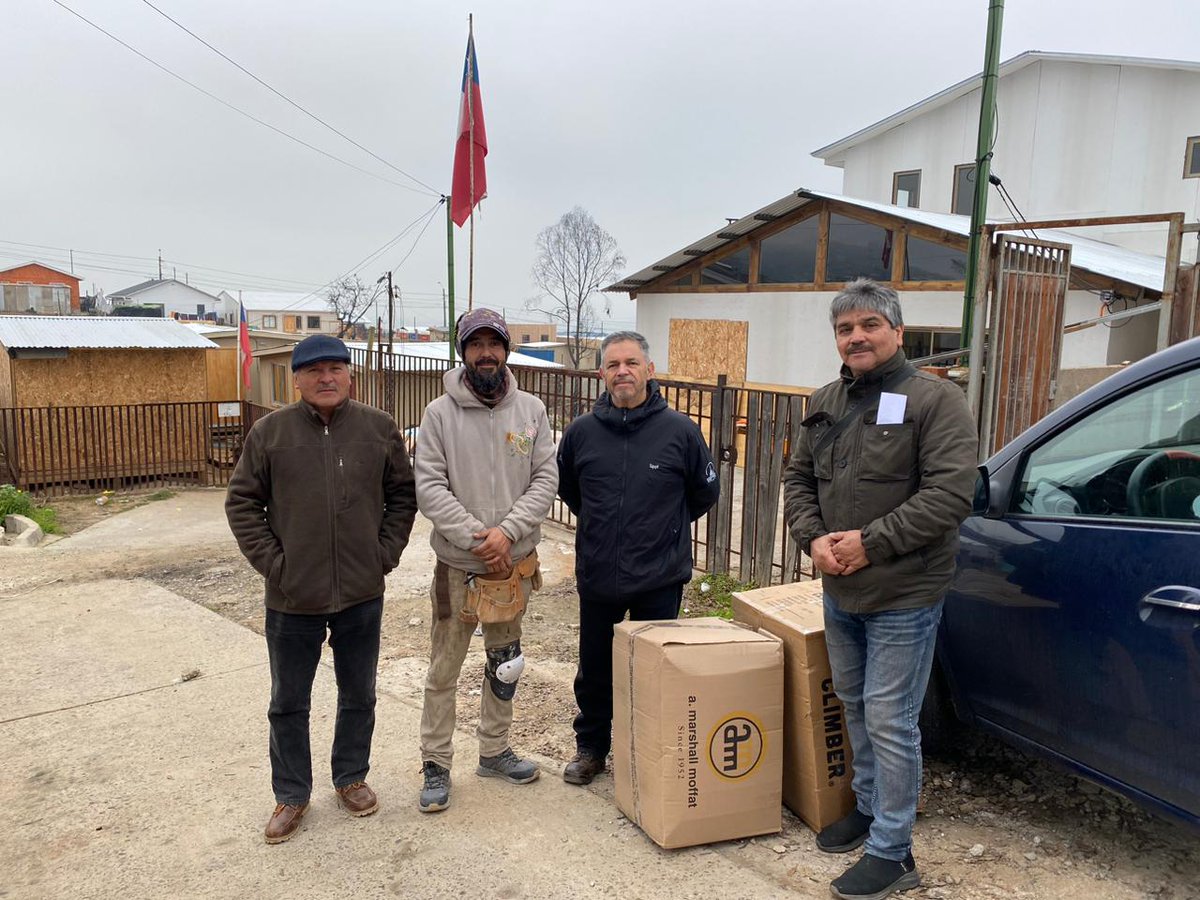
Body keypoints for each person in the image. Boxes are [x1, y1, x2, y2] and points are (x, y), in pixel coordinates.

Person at [782, 279, 978, 900]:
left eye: (869, 325)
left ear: (896, 330)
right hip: (842, 592)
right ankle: (868, 807)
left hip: (904, 592)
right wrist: (811, 539)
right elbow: (797, 479)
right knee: (854, 701)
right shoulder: (825, 401)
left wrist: (870, 542)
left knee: (892, 719)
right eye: (845, 329)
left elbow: (950, 495)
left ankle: (894, 851)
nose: (856, 337)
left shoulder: (934, 400)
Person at [225, 333, 417, 844]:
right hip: (293, 598)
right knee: (288, 701)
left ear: (350, 374)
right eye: (314, 370)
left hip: (361, 593)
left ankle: (350, 777)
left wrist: (383, 556)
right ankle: (291, 793)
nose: (325, 378)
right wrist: (277, 566)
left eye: (335, 368)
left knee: (359, 693)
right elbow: (242, 504)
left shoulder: (378, 429)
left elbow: (402, 497)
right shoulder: (269, 434)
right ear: (297, 379)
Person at [556, 331, 720, 786]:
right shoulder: (581, 434)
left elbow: (704, 493)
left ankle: (648, 753)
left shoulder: (681, 432)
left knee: (654, 673)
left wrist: (663, 529)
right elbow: (569, 490)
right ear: (601, 374)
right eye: (613, 364)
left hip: (659, 578)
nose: (622, 371)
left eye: (631, 362)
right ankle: (591, 749)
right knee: (595, 671)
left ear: (650, 370)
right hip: (599, 576)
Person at [414, 308, 558, 812]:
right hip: (459, 566)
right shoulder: (439, 415)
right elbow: (429, 486)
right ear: (463, 352)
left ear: (506, 350)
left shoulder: (531, 412)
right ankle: (435, 764)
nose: (485, 354)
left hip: (512, 566)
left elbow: (545, 479)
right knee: (444, 668)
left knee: (506, 664)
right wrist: (480, 538)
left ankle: (494, 752)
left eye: (493, 344)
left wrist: (509, 533)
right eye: (475, 345)